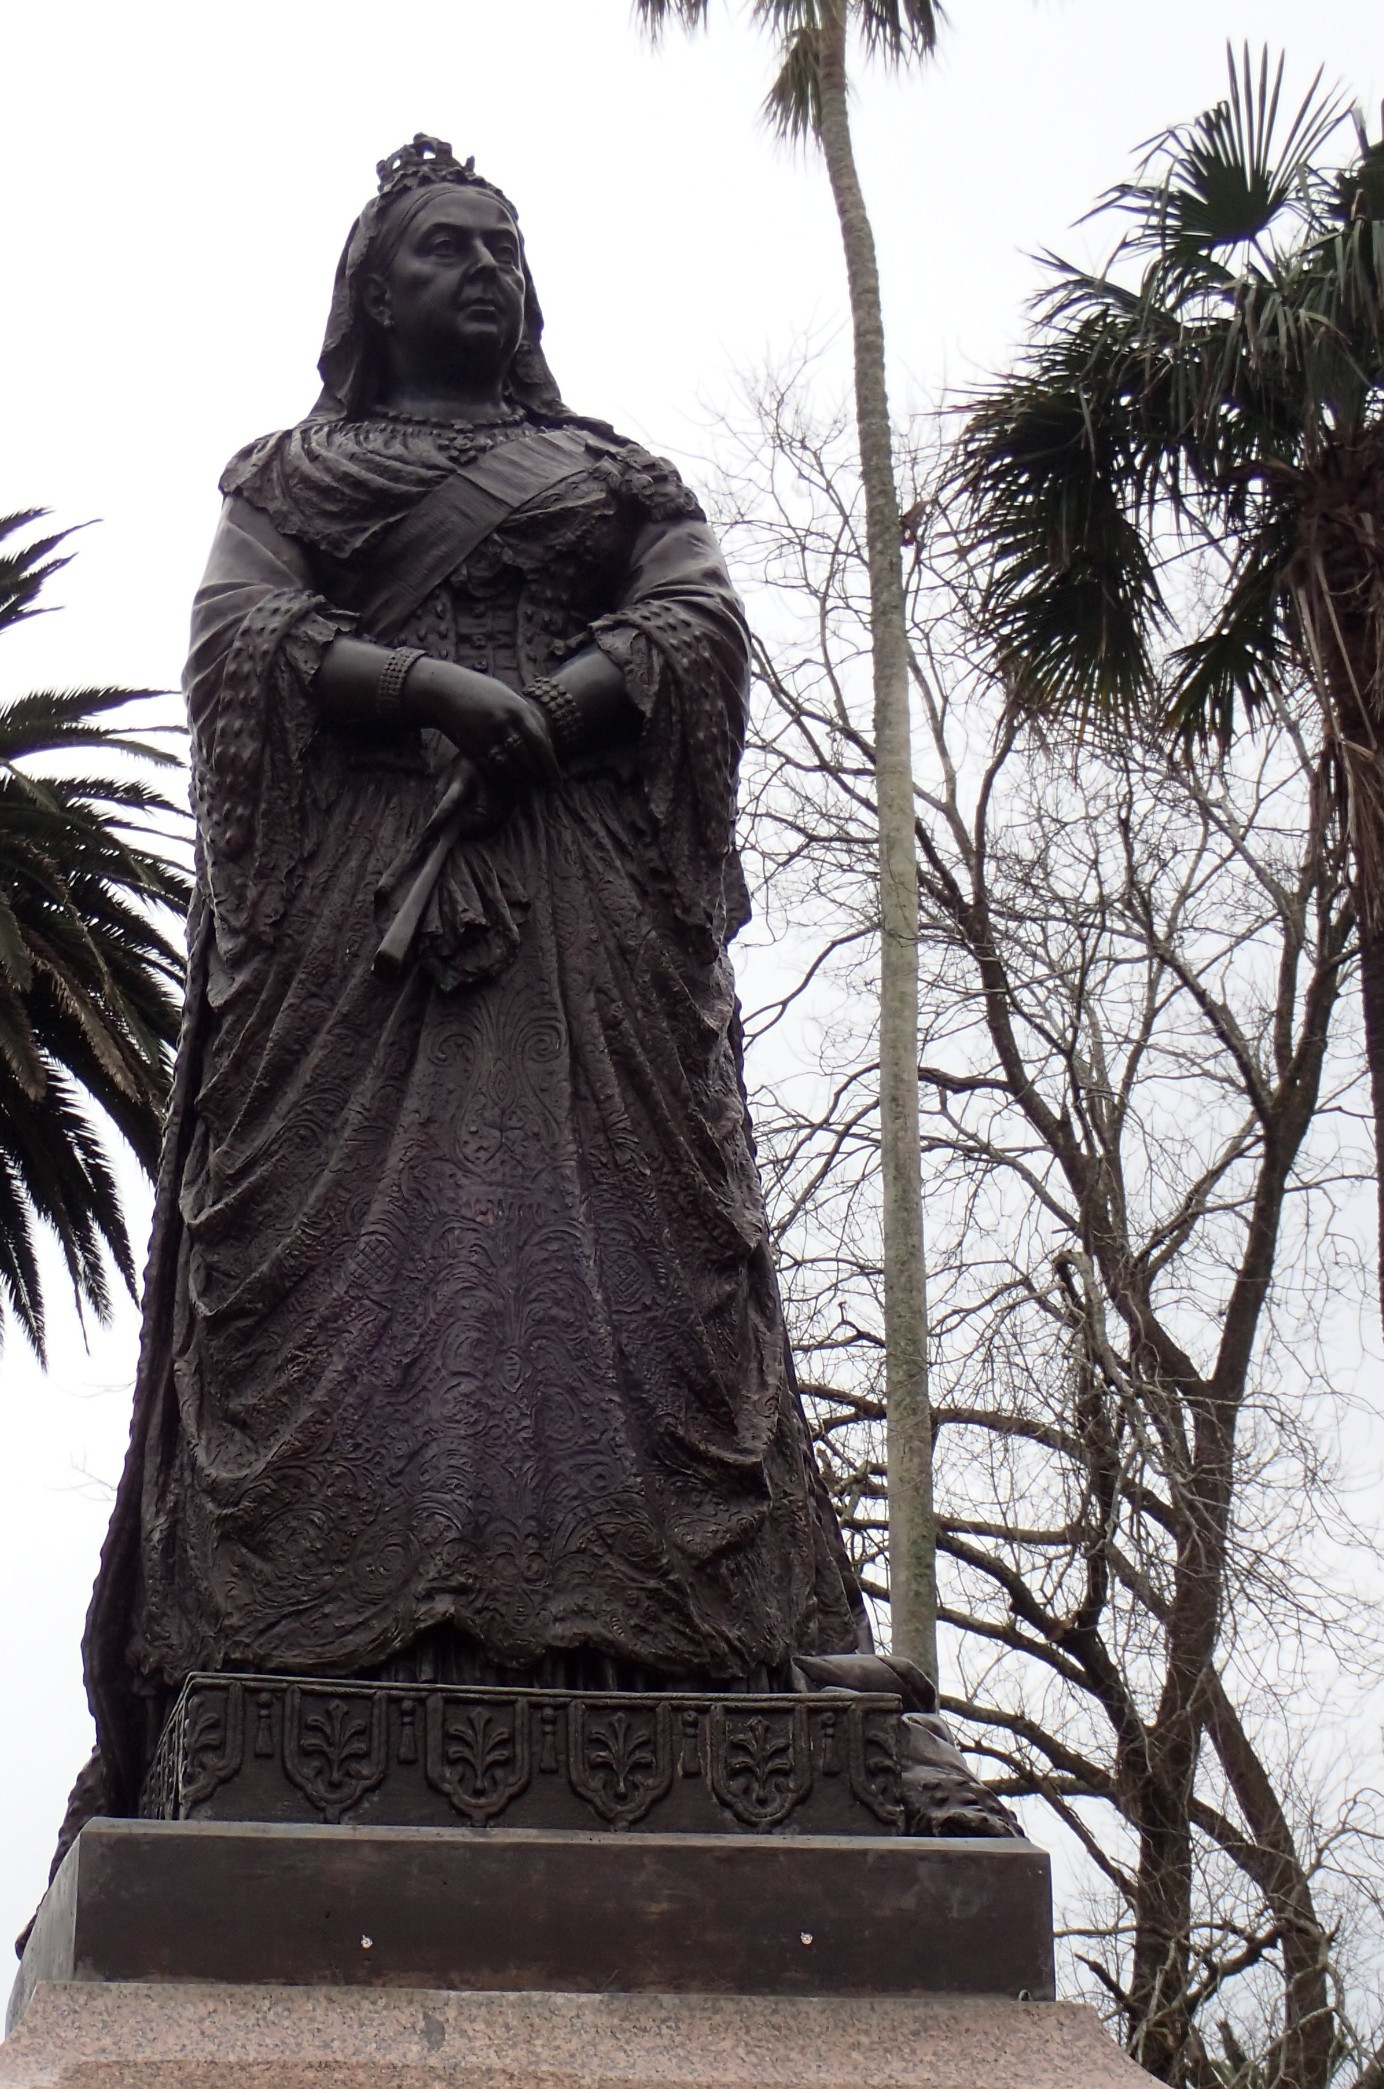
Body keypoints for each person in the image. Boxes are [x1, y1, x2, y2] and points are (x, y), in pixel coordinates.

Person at [75, 137, 1008, 1843]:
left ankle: (689, 1645)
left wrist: (568, 701)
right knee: (367, 1260)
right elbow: (232, 643)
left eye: (504, 247)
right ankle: (320, 1642)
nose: (486, 272)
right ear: (375, 290)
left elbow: (699, 617)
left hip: (581, 919)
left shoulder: (610, 469)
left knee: (635, 1245)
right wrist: (427, 684)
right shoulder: (292, 471)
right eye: (447, 250)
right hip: (365, 923)